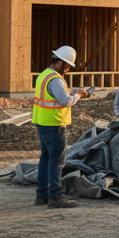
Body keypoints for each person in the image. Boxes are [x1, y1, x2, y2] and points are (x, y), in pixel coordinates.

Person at [33, 46, 88, 209]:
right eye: (67, 66)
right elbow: (65, 101)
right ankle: (55, 196)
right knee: (56, 162)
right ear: (59, 62)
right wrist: (77, 95)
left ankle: (41, 195)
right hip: (55, 125)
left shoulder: (44, 75)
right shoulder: (56, 79)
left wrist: (72, 91)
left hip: (42, 123)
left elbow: (55, 96)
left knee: (45, 159)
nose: (67, 70)